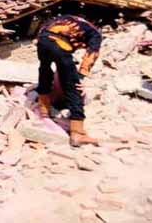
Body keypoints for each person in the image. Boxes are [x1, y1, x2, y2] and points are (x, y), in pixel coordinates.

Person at [36, 15, 102, 147]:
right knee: (73, 88)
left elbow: (45, 27)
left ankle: (44, 110)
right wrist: (81, 76)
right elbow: (91, 54)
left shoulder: (67, 18)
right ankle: (78, 133)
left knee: (45, 71)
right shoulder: (95, 33)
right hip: (60, 45)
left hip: (42, 40)